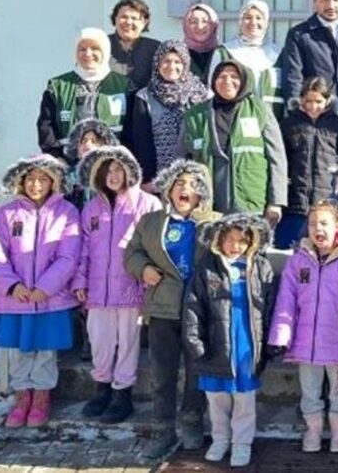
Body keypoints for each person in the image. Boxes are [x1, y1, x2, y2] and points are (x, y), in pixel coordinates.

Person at [123, 160, 218, 458]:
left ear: (201, 192)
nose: (184, 189)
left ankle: (192, 421)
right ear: (168, 190)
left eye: (191, 184)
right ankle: (162, 429)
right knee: (162, 374)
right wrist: (144, 269)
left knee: (196, 372)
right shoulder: (151, 222)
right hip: (163, 309)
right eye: (178, 184)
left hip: (199, 310)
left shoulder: (214, 222)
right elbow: (131, 252)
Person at [0, 154, 81, 429]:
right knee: (21, 349)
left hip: (50, 298)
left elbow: (68, 256)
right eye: (30, 179)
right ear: (21, 181)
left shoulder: (66, 213)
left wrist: (45, 287)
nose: (36, 185)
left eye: (43, 179)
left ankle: (41, 395)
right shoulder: (6, 214)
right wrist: (12, 285)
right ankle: (22, 395)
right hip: (16, 297)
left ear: (53, 182)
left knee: (46, 350)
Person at [267, 201, 338, 454]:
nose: (317, 228)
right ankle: (313, 430)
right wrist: (281, 334)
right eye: (313, 224)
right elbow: (286, 300)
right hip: (306, 344)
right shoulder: (298, 261)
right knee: (310, 391)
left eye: (324, 223)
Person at [72, 146, 162, 424]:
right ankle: (102, 390)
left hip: (130, 288)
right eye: (107, 170)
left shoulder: (147, 204)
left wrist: (148, 283)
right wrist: (80, 280)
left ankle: (122, 394)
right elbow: (82, 248)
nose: (113, 175)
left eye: (118, 170)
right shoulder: (92, 208)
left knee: (127, 343)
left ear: (129, 171)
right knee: (100, 341)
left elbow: (154, 247)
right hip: (98, 291)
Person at [183, 213, 277, 467]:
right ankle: (221, 438)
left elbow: (270, 307)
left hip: (247, 344)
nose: (235, 246)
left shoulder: (260, 267)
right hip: (215, 344)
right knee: (217, 397)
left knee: (244, 398)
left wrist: (272, 340)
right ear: (219, 240)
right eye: (230, 240)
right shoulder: (207, 267)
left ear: (251, 243)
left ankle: (242, 442)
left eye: (242, 241)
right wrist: (194, 338)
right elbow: (193, 305)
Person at [182, 60, 287, 222]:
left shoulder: (260, 110)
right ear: (213, 81)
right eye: (222, 77)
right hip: (207, 205)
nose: (227, 82)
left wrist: (276, 202)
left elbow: (277, 158)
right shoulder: (195, 115)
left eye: (234, 77)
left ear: (244, 80)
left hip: (250, 202)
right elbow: (181, 161)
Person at [124, 40, 211, 186]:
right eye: (166, 61)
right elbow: (142, 142)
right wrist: (148, 179)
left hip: (196, 178)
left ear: (186, 64)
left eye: (178, 62)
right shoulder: (145, 96)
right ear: (157, 64)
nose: (172, 66)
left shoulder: (202, 95)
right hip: (159, 179)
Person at [277, 76, 338, 248]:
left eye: (318, 101)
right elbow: (281, 159)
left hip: (324, 200)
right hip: (295, 201)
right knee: (291, 248)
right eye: (308, 100)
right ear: (301, 99)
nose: (313, 106)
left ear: (328, 100)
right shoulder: (289, 124)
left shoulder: (337, 126)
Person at [37, 28, 129, 161]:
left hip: (113, 166)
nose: (88, 53)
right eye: (82, 49)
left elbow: (133, 129)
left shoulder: (124, 86)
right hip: (69, 164)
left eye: (95, 48)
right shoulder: (57, 86)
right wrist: (56, 156)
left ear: (105, 51)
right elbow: (46, 126)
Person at [281, 0, 338, 126]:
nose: (331, 5)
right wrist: (298, 112)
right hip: (316, 112)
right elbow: (293, 76)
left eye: (336, 0)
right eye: (325, 0)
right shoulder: (299, 34)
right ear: (314, 2)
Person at [211, 0, 285, 117]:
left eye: (258, 18)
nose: (253, 22)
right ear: (240, 22)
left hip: (274, 121)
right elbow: (211, 90)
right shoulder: (224, 52)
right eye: (248, 18)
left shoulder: (279, 53)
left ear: (266, 22)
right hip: (235, 120)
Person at [63, 118, 121, 209]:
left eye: (94, 141)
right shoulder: (68, 176)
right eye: (83, 141)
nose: (87, 144)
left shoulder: (112, 173)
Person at [108, 0, 161, 91]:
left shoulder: (156, 48)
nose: (128, 22)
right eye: (124, 17)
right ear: (115, 19)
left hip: (143, 103)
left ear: (144, 22)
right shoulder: (101, 45)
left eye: (134, 18)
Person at [182, 3, 220, 80]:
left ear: (213, 24)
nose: (199, 26)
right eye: (193, 21)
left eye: (205, 21)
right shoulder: (179, 54)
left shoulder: (223, 54)